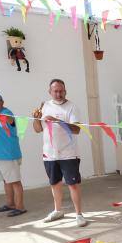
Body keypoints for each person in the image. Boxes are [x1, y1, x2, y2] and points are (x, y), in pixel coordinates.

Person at [32, 79, 87, 227]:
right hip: (49, 153)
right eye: (55, 91)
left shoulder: (72, 107)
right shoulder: (44, 106)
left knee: (73, 184)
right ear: (50, 92)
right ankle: (57, 210)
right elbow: (37, 129)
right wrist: (36, 118)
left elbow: (77, 130)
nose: (58, 93)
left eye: (61, 90)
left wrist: (56, 120)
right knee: (55, 183)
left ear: (65, 91)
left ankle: (79, 214)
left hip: (69, 153)